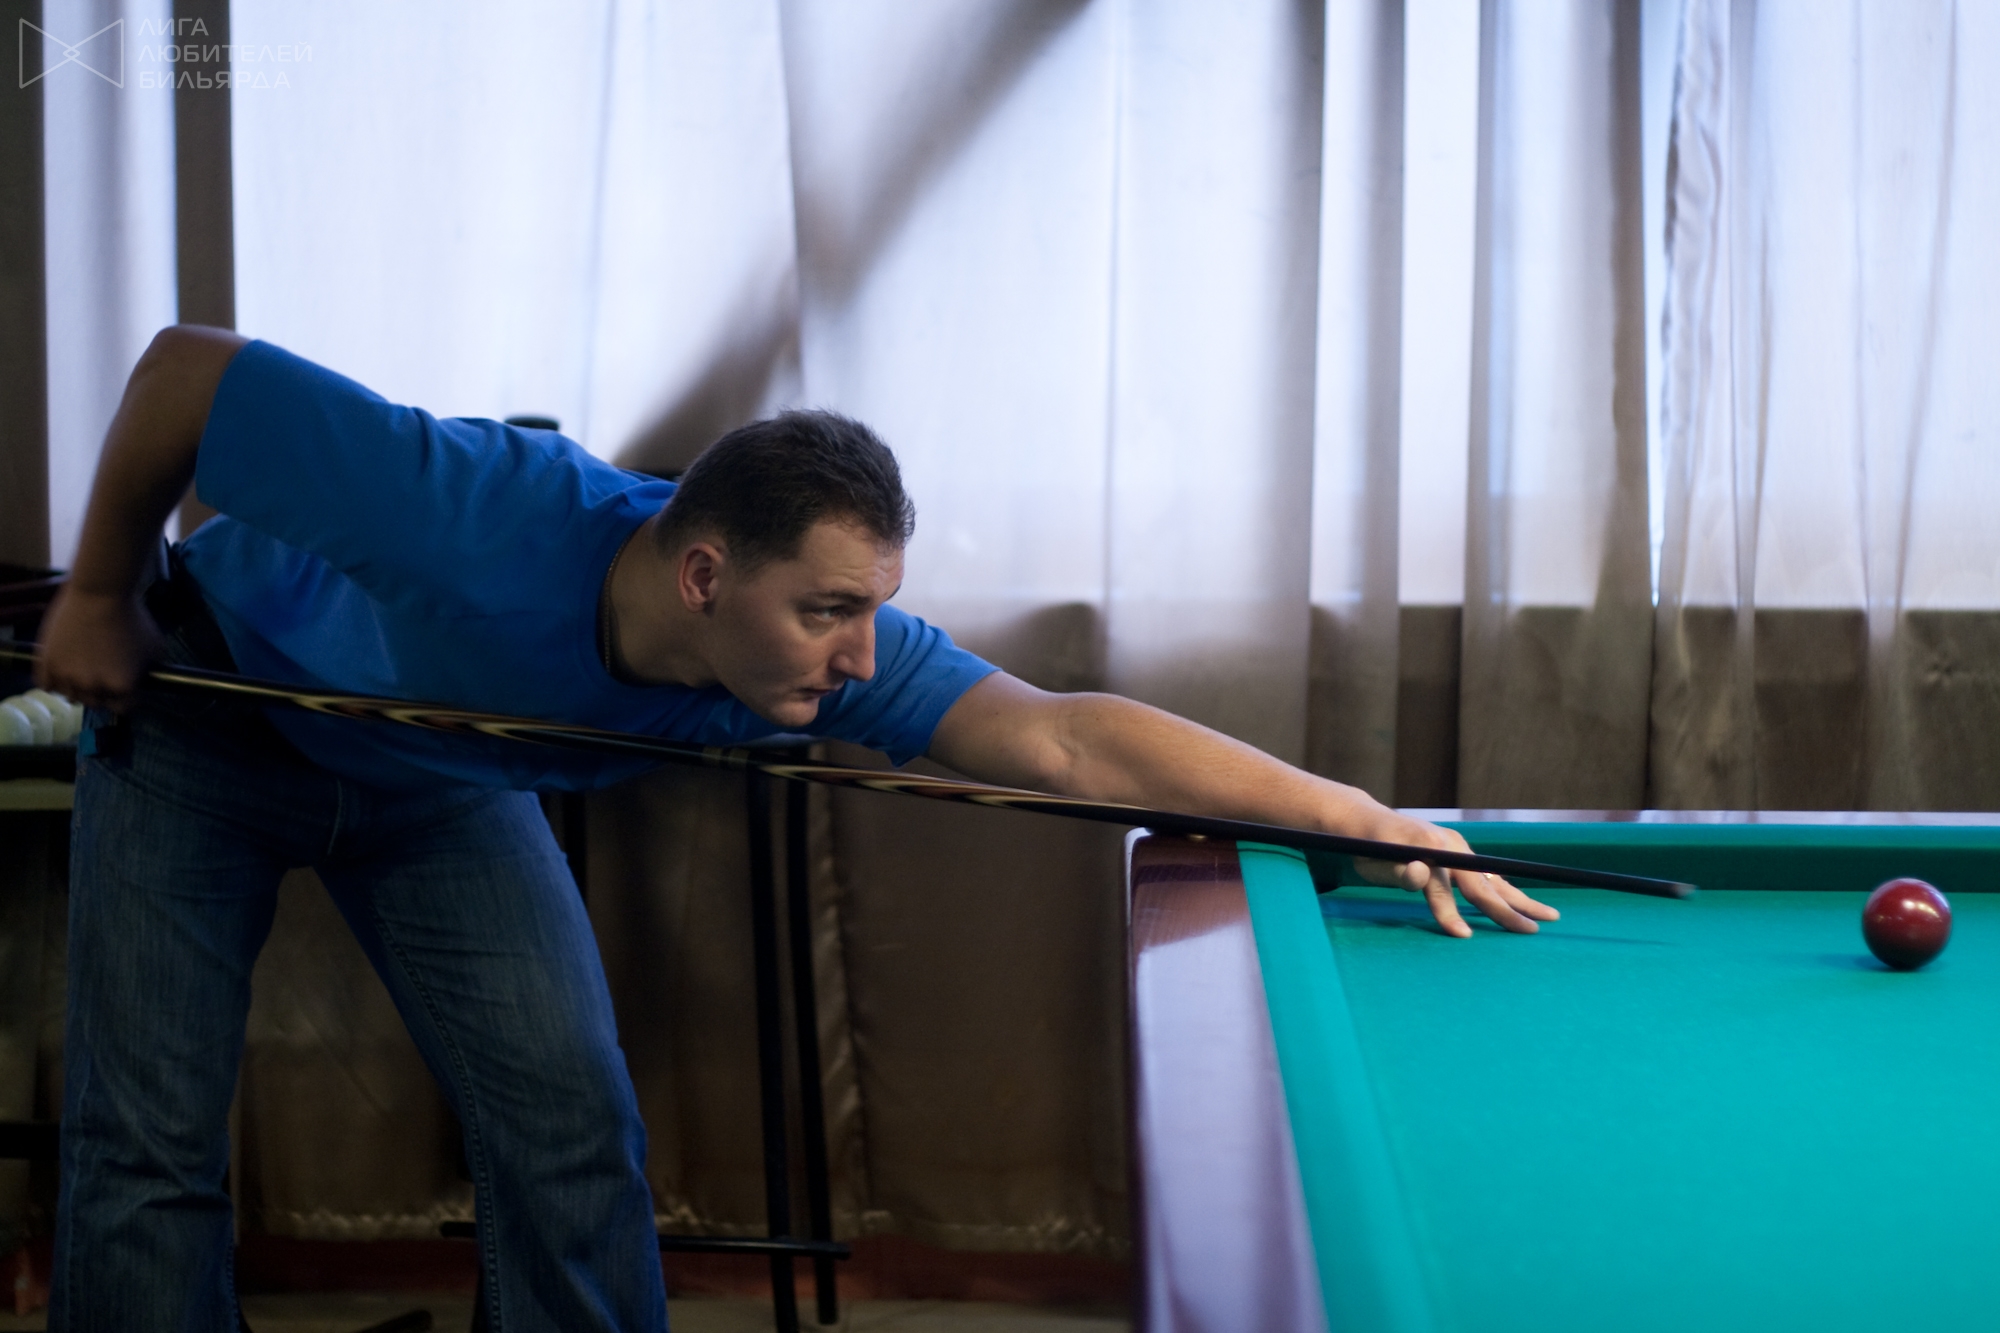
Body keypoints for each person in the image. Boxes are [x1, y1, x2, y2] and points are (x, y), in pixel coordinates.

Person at [36, 326, 1557, 1331]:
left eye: (873, 610)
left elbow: (1063, 732)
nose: (859, 654)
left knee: (569, 1126)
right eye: (828, 610)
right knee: (148, 1150)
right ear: (704, 576)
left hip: (438, 784)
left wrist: (1364, 814)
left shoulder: (821, 656)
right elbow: (187, 374)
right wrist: (101, 593)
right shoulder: (477, 508)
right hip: (208, 716)